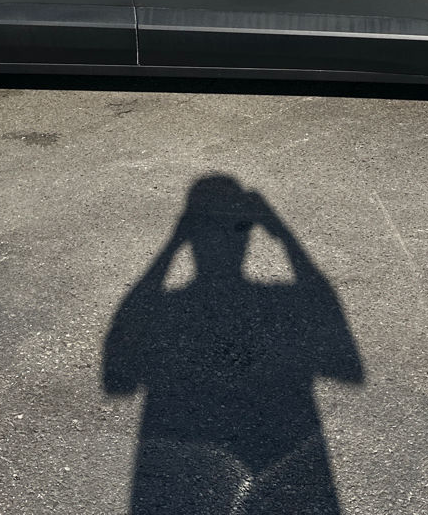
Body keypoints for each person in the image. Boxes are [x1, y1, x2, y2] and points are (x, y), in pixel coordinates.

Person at [103, 175, 365, 515]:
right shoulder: (279, 301)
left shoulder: (170, 308)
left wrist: (172, 244)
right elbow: (342, 350)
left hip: (182, 483)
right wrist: (282, 233)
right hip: (287, 474)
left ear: (190, 242)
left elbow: (118, 376)